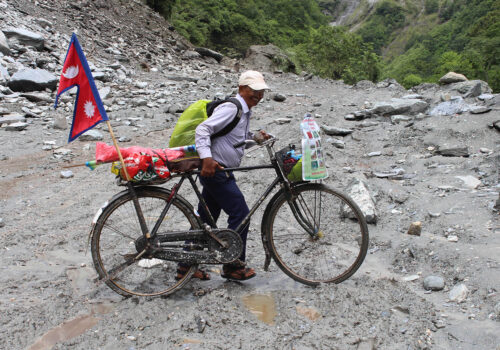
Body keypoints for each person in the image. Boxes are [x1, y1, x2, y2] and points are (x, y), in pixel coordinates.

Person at [176, 70, 270, 281]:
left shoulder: (244, 111)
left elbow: (233, 136)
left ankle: (185, 266)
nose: (258, 95)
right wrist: (207, 158)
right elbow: (203, 130)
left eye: (261, 91)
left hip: (220, 171)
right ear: (241, 89)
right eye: (254, 90)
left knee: (206, 220)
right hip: (215, 171)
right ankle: (233, 265)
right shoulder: (232, 108)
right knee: (241, 214)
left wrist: (255, 138)